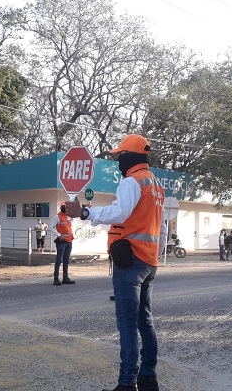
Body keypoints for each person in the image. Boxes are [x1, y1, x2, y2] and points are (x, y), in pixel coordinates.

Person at [66, 134, 165, 391]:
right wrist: (155, 256)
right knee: (145, 320)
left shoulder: (132, 182)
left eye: (121, 155)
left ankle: (126, 384)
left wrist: (85, 212)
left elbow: (120, 212)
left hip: (130, 260)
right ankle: (148, 377)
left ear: (130, 156)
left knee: (127, 325)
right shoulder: (155, 185)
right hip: (149, 261)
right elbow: (160, 227)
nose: (119, 160)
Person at [49, 202, 75, 286]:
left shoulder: (69, 217)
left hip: (69, 241)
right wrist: (59, 235)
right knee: (59, 260)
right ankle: (56, 278)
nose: (65, 208)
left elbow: (69, 227)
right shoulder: (57, 216)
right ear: (61, 207)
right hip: (62, 242)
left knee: (66, 260)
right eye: (63, 206)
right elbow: (51, 227)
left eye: (66, 206)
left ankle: (65, 277)